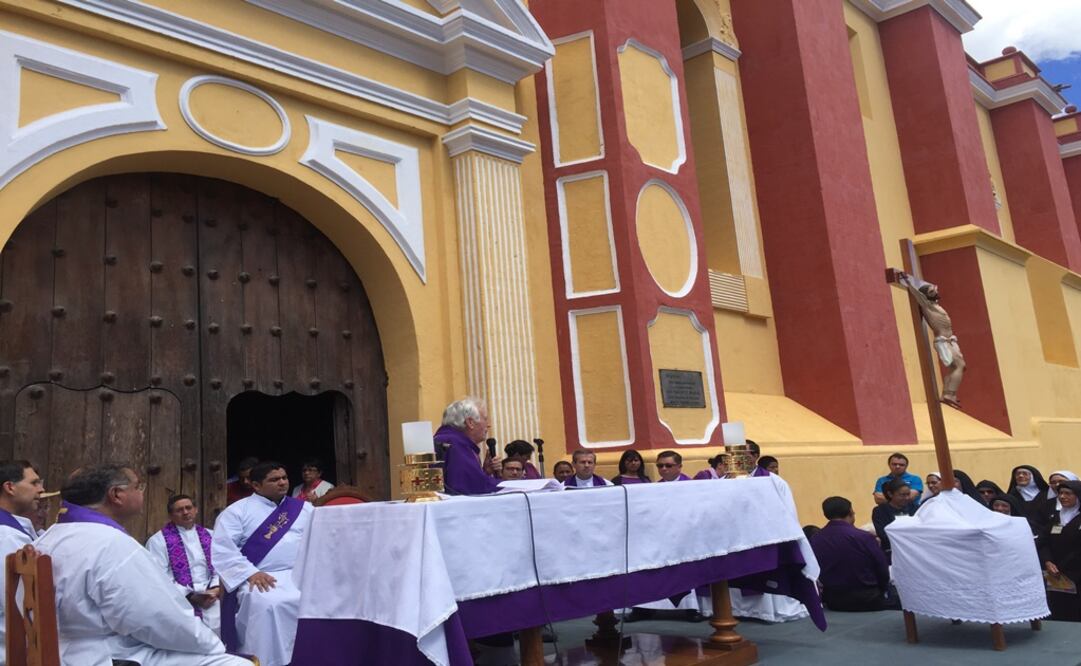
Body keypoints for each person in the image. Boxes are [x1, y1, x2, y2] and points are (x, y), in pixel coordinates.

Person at [34, 464, 247, 666]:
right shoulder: (110, 544)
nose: (142, 492)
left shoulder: (49, 537)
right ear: (116, 495)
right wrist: (212, 644)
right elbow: (158, 619)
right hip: (107, 654)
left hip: (63, 649)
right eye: (138, 486)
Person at [213, 461, 314, 666]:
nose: (282, 483)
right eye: (274, 479)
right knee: (270, 604)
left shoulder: (305, 509)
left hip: (301, 574)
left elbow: (321, 537)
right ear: (256, 485)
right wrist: (250, 573)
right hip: (260, 577)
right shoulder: (236, 512)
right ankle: (267, 660)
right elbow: (224, 550)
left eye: (284, 478)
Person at [146, 494, 222, 633]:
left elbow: (221, 565)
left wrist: (216, 588)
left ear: (196, 510)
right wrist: (191, 596)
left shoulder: (211, 535)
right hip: (179, 599)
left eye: (189, 508)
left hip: (212, 595)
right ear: (170, 515)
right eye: (179, 510)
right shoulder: (158, 541)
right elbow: (159, 576)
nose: (185, 512)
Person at [810, 496, 897, 611]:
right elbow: (882, 569)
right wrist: (882, 589)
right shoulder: (864, 537)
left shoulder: (815, 539)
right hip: (869, 598)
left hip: (834, 601)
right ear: (850, 512)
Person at [899, 273, 965, 408]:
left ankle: (948, 394)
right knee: (960, 366)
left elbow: (932, 290)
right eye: (931, 291)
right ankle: (949, 394)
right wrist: (908, 283)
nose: (935, 292)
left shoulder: (936, 305)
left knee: (955, 367)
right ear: (926, 295)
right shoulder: (927, 305)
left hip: (950, 341)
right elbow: (918, 296)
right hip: (943, 341)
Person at [0, 460, 43, 660]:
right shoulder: (6, 535)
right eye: (34, 483)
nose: (42, 490)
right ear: (10, 487)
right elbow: (14, 598)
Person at [434, 397, 502, 495]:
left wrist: (485, 473)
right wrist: (508, 485)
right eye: (485, 419)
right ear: (470, 422)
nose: (488, 425)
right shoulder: (456, 444)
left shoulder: (446, 439)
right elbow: (470, 489)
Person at [1037, 480, 1081, 621]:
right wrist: (1048, 561)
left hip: (1076, 574)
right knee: (1059, 612)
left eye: (1068, 493)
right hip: (1055, 575)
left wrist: (1064, 565)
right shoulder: (1055, 517)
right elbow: (1043, 542)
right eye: (1060, 493)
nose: (1062, 497)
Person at [872, 478, 916, 563]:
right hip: (892, 554)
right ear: (890, 494)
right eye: (902, 495)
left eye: (908, 494)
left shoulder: (913, 508)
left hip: (913, 552)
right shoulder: (880, 511)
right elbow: (883, 534)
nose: (907, 498)